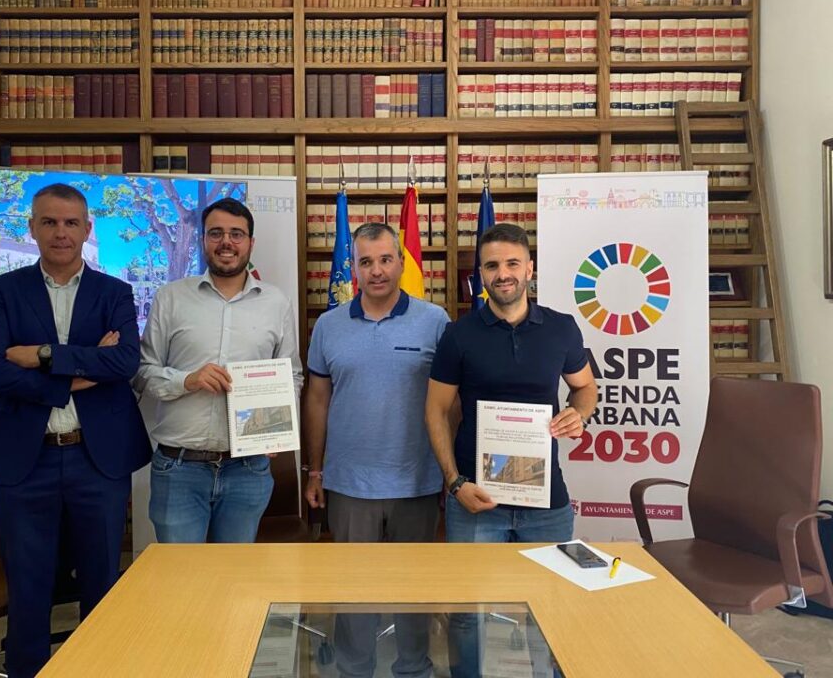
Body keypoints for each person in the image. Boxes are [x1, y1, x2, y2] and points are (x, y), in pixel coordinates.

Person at [0, 183, 151, 678]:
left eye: (71, 223)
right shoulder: (4, 290)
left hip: (97, 460)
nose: (60, 232)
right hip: (24, 460)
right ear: (32, 228)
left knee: (102, 583)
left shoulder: (114, 292)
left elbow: (124, 362)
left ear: (87, 229)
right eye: (49, 222)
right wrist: (75, 376)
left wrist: (42, 355)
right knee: (28, 586)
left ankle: (100, 670)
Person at [424, 223, 597, 678]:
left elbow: (585, 389)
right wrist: (454, 483)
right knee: (468, 611)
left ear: (529, 269)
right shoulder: (459, 334)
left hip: (547, 501)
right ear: (480, 274)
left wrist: (579, 413)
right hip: (475, 499)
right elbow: (436, 411)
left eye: (512, 263)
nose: (503, 274)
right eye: (492, 265)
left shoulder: (561, 328)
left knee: (552, 606)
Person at [304, 222, 449, 678]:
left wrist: (451, 473)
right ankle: (353, 669)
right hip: (349, 484)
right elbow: (317, 399)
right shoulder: (328, 325)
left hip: (416, 481)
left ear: (401, 263)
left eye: (386, 259)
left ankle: (414, 669)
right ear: (354, 268)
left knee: (414, 592)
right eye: (366, 262)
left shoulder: (435, 321)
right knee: (354, 593)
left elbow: (452, 403)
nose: (377, 271)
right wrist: (314, 471)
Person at [134, 198, 303, 543]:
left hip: (248, 469)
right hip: (180, 469)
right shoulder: (170, 297)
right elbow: (142, 372)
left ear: (251, 243)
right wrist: (187, 380)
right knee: (181, 572)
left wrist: (278, 425)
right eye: (216, 233)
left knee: (235, 572)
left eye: (236, 234)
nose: (227, 242)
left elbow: (291, 376)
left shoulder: (276, 303)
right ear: (203, 240)